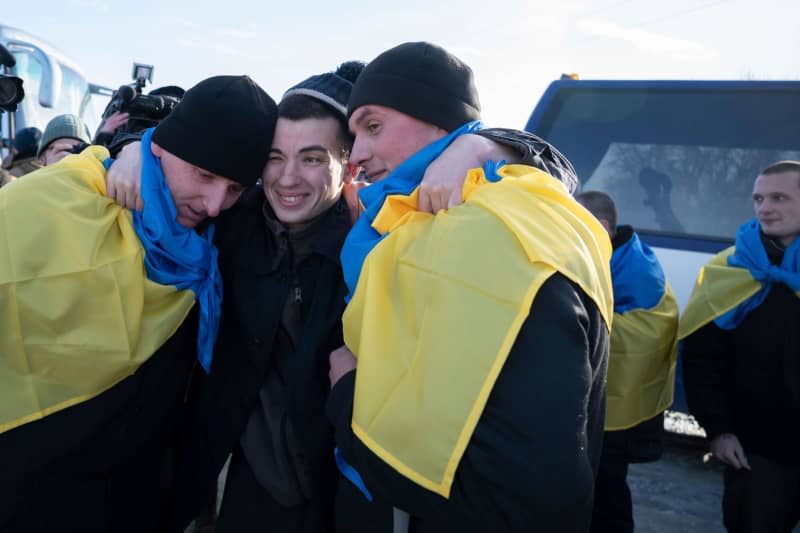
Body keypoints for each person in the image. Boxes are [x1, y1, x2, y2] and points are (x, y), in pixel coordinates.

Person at [325, 41, 613, 533]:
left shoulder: (488, 228)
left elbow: (524, 481)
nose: (360, 154)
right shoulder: (471, 210)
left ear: (441, 125)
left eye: (373, 127)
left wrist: (347, 391)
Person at [0, 75, 278, 532]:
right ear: (160, 150)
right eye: (204, 174)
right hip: (24, 492)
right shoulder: (51, 200)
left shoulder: (219, 240)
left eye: (233, 188)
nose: (213, 205)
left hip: (129, 502)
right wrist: (130, 145)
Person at [681, 160, 800, 533]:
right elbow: (703, 361)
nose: (765, 208)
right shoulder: (729, 270)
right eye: (758, 198)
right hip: (757, 454)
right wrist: (718, 430)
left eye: (779, 197)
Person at [575, 190, 679, 533]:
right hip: (598, 399)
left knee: (606, 488)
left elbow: (640, 335)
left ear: (601, 227)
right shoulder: (611, 254)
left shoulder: (636, 269)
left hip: (616, 412)